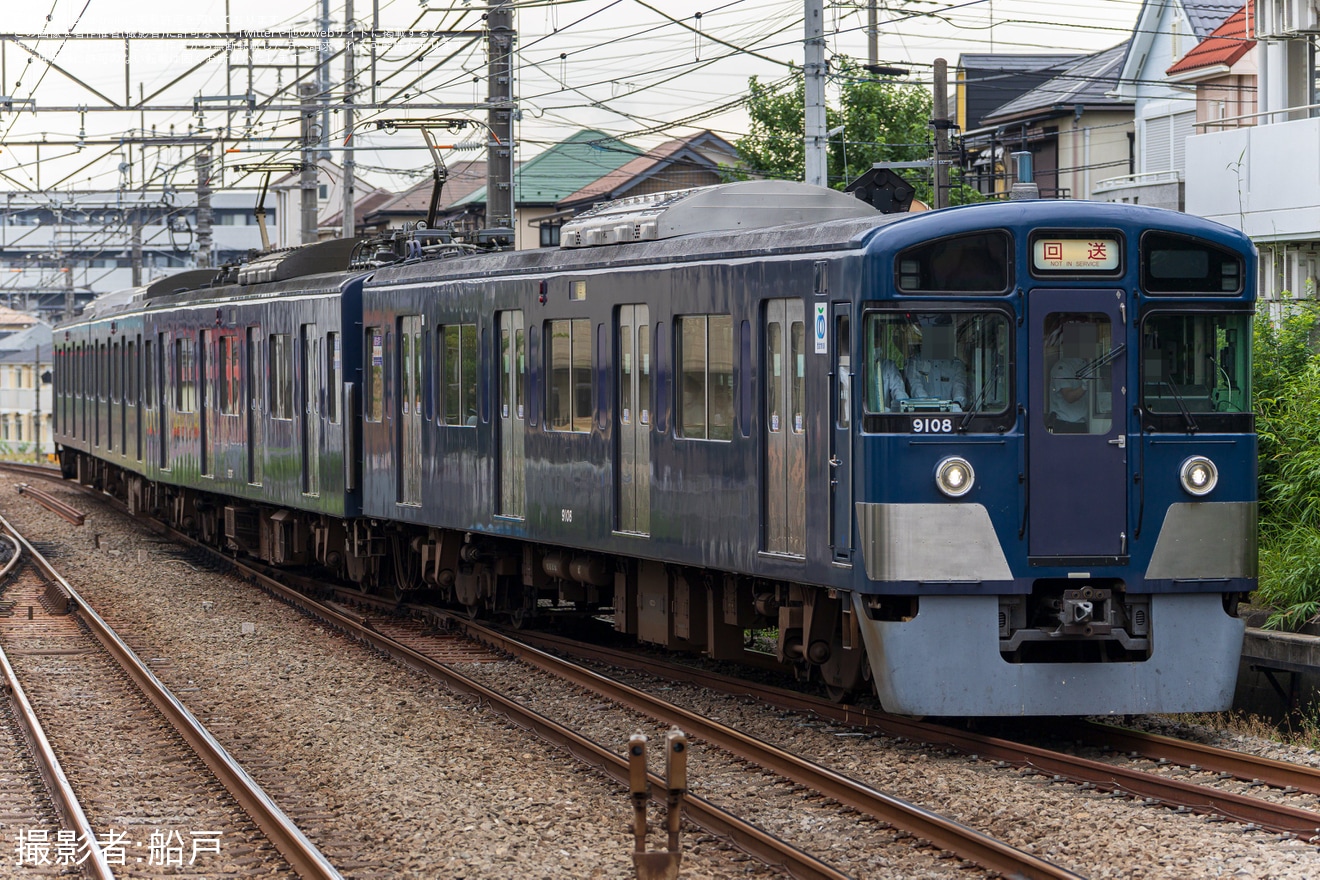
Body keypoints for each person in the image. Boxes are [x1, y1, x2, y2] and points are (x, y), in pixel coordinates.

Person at [1048, 321, 1091, 433]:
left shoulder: (1086, 365)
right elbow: (1069, 397)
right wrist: (1085, 386)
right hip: (1066, 425)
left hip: (1083, 423)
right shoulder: (1062, 368)